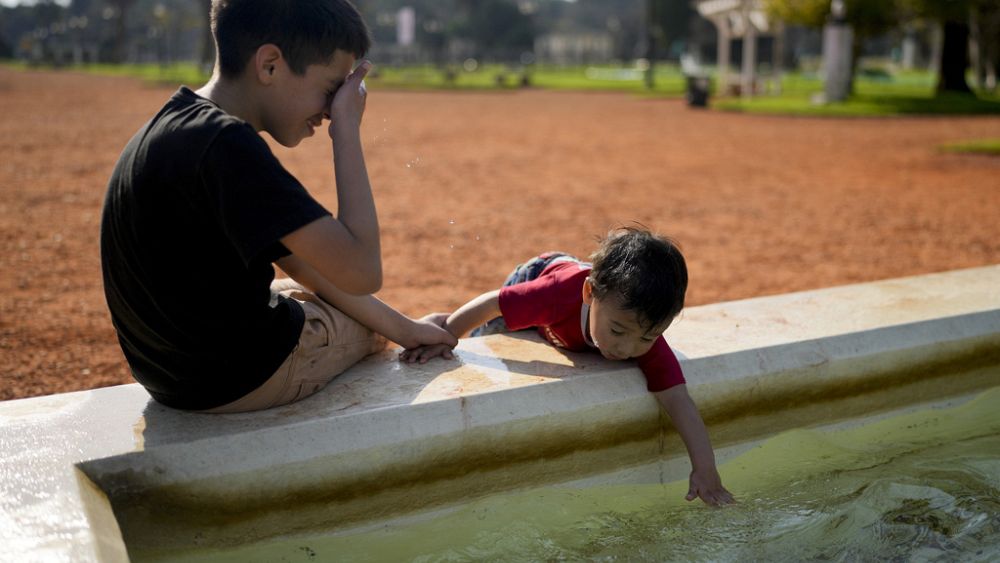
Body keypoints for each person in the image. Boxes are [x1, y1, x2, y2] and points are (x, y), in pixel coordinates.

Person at [100, 0, 455, 413]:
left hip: (168, 377)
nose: (330, 108)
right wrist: (346, 130)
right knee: (361, 325)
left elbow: (303, 264)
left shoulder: (177, 124)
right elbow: (362, 272)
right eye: (331, 89)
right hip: (240, 378)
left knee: (308, 290)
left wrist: (408, 327)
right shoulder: (229, 146)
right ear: (269, 64)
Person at [401, 227, 735, 506]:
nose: (627, 348)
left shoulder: (639, 328)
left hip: (586, 296)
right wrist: (449, 336)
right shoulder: (557, 295)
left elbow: (678, 399)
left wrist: (705, 468)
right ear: (590, 294)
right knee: (492, 332)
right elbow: (492, 302)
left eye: (646, 339)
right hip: (541, 272)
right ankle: (439, 322)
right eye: (617, 331)